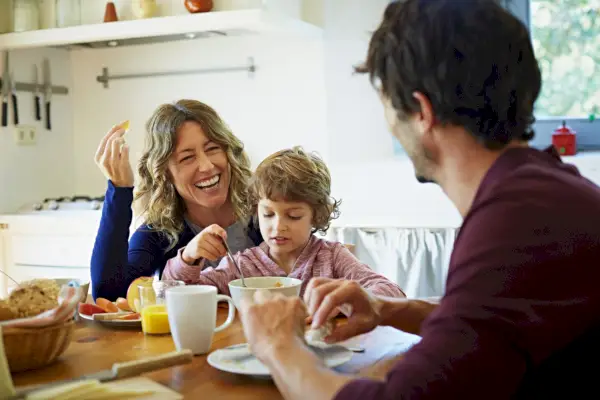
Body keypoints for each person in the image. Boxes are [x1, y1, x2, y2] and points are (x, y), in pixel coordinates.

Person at [237, 1, 600, 399]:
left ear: (422, 111)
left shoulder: (515, 224)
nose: (389, 122)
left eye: (388, 105)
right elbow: (482, 319)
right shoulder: (543, 192)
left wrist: (277, 345)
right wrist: (386, 308)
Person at [163, 147, 404, 298]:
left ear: (317, 215)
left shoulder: (332, 258)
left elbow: (392, 293)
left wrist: (349, 298)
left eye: (294, 216)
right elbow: (174, 292)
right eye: (268, 215)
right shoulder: (243, 266)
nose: (278, 227)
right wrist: (189, 258)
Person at [90, 100, 262, 300]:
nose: (206, 166)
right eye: (187, 158)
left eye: (212, 148)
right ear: (166, 173)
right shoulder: (161, 232)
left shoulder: (266, 211)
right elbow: (109, 296)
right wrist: (119, 190)